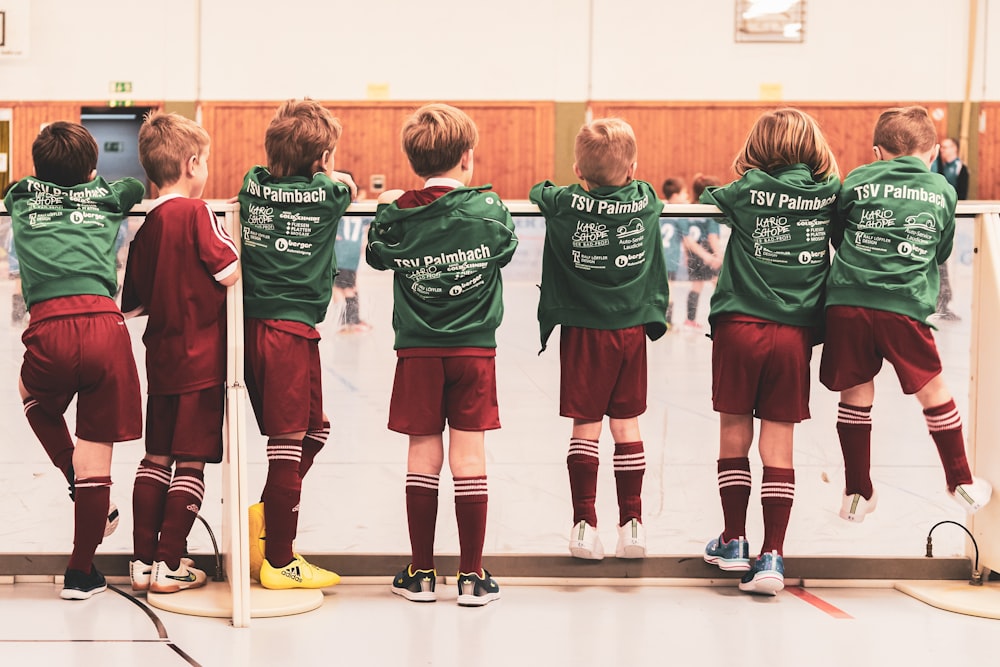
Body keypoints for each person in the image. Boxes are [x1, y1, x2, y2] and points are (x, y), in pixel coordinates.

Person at [367, 103, 517, 607]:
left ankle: (423, 572)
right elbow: (507, 245)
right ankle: (472, 576)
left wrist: (392, 201)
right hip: (474, 350)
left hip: (417, 351)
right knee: (469, 456)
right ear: (468, 158)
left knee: (422, 455)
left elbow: (375, 251)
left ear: (413, 160)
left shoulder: (398, 213)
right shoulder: (489, 209)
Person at [820, 106, 992, 524]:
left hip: (847, 303)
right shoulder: (942, 189)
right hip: (902, 306)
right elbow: (942, 249)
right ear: (932, 152)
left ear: (877, 152)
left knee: (856, 394)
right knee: (933, 391)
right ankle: (960, 481)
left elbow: (838, 235)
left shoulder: (858, 178)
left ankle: (857, 491)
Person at [698, 108, 840, 595]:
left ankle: (734, 540)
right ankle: (773, 555)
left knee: (734, 431)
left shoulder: (746, 190)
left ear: (759, 147)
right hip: (793, 335)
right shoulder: (826, 194)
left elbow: (708, 196)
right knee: (778, 442)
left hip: (738, 326)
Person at [3, 121, 145, 599]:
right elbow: (133, 186)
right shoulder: (106, 195)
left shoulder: (22, 197)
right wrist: (93, 187)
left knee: (29, 392)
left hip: (48, 327)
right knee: (97, 452)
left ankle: (68, 471)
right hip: (106, 326)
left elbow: (15, 188)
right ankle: (80, 572)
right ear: (91, 170)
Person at [530, 118, 668, 561]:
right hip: (629, 331)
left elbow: (540, 191)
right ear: (632, 169)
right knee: (627, 426)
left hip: (584, 333)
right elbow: (647, 189)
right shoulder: (645, 200)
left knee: (585, 428)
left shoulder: (564, 202)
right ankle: (632, 525)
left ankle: (584, 525)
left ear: (578, 169)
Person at [238, 99, 357, 590]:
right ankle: (279, 558)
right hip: (284, 333)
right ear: (323, 159)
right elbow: (344, 185)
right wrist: (332, 171)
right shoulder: (330, 194)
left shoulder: (253, 186)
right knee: (287, 443)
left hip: (278, 330)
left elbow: (259, 174)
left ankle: (266, 515)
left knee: (315, 430)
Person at [121, 112, 240, 594]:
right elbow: (229, 269)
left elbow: (133, 305)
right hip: (201, 362)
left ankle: (143, 561)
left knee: (155, 457)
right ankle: (171, 563)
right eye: (206, 160)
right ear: (192, 164)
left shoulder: (147, 227)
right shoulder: (197, 214)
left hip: (163, 362)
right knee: (189, 463)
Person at [930, 136, 969, 321]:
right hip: (936, 220)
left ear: (955, 149)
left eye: (948, 147)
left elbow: (961, 196)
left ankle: (943, 303)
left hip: (950, 221)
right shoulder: (935, 166)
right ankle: (939, 303)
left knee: (943, 264)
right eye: (942, 147)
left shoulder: (961, 169)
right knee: (939, 264)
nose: (944, 150)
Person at [681, 174, 723, 330]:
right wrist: (717, 256)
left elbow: (686, 239)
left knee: (696, 286)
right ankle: (722, 317)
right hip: (707, 252)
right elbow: (712, 238)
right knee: (719, 285)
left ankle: (690, 320)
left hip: (694, 252)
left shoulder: (688, 209)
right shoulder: (710, 210)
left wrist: (687, 255)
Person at [333, 175, 372, 333]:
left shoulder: (340, 209)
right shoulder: (357, 209)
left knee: (345, 288)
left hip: (345, 257)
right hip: (347, 257)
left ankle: (349, 320)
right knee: (347, 288)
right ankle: (349, 321)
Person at [660, 177, 689, 329]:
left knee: (662, 287)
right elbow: (686, 239)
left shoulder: (660, 208)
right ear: (676, 195)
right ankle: (668, 321)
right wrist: (688, 255)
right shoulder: (680, 213)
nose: (686, 197)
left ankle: (661, 319)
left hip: (659, 257)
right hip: (670, 259)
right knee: (669, 288)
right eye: (684, 193)